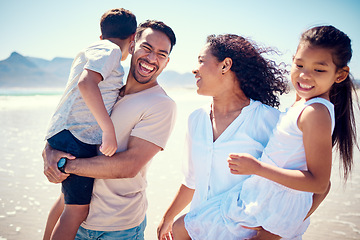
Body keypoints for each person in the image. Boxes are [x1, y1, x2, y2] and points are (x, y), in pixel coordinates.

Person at [177, 26, 357, 239]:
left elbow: (320, 184)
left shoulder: (315, 112)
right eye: (299, 65)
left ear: (340, 75)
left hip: (264, 207)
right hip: (257, 201)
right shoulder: (302, 105)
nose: (305, 75)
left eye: (319, 69)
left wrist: (259, 170)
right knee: (181, 228)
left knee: (181, 229)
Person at [43, 20, 176, 240]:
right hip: (73, 214)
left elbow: (129, 166)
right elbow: (70, 117)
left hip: (117, 228)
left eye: (162, 54)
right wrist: (49, 150)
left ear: (167, 61)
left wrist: (63, 165)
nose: (152, 59)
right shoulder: (108, 90)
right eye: (147, 48)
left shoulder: (161, 104)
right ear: (132, 45)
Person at [43, 8, 137, 240]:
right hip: (78, 136)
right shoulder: (111, 50)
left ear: (101, 34)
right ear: (133, 38)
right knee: (76, 211)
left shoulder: (93, 50)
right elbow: (87, 84)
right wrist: (108, 130)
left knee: (66, 201)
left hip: (65, 132)